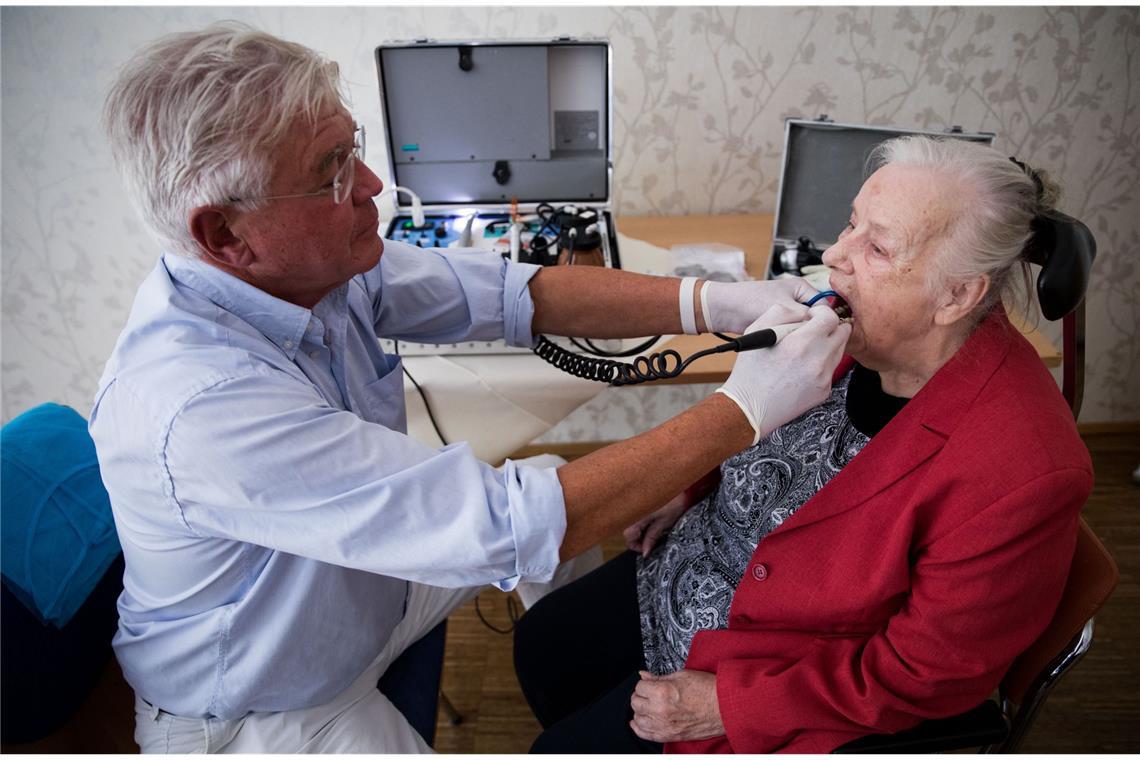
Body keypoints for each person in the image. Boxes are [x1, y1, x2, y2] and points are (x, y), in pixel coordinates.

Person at [90, 23, 850, 754]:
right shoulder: (200, 408)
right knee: (534, 513)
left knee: (552, 483)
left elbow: (515, 295)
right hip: (270, 700)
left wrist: (713, 303)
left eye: (350, 150)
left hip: (364, 588)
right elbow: (504, 530)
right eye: (328, 172)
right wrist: (742, 411)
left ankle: (604, 664)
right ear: (225, 235)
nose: (371, 185)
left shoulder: (312, 270)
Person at [513, 135, 1094, 754]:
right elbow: (768, 429)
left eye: (876, 247)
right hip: (698, 561)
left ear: (957, 295)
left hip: (783, 664)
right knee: (543, 644)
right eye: (850, 224)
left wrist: (727, 705)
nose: (835, 254)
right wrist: (693, 486)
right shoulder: (860, 328)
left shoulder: (1025, 468)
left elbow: (927, 674)